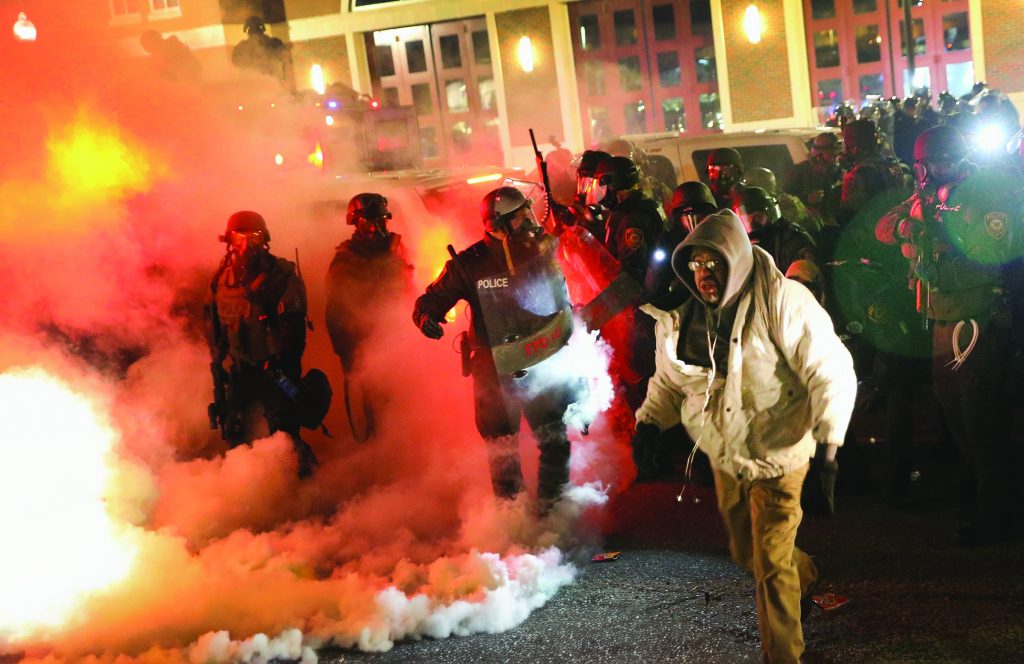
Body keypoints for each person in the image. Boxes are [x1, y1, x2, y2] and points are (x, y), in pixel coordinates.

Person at [632, 208, 856, 663]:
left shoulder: (783, 301)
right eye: (694, 265)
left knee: (770, 565)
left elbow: (831, 372)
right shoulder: (683, 317)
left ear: (735, 258)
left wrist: (828, 449)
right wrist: (649, 424)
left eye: (713, 263)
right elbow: (672, 383)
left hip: (781, 453)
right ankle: (805, 572)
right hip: (727, 455)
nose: (703, 275)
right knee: (746, 553)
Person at [875, 125, 1022, 545]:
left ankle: (998, 514)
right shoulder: (928, 196)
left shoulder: (983, 194)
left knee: (979, 420)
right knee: (954, 412)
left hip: (973, 319)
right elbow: (883, 227)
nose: (945, 168)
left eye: (949, 160)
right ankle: (985, 496)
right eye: (937, 162)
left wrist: (932, 261)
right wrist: (910, 230)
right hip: (945, 320)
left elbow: (988, 262)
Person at [412, 186, 575, 512]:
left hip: (541, 357)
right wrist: (426, 317)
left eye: (527, 214)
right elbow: (430, 300)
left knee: (554, 439)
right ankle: (512, 521)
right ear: (497, 223)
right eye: (519, 217)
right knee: (502, 450)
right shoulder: (469, 263)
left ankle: (555, 514)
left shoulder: (540, 251)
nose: (528, 222)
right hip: (493, 367)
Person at [205, 211, 319, 478]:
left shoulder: (281, 275)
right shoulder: (222, 278)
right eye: (238, 238)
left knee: (284, 435)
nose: (245, 245)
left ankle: (304, 486)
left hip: (275, 371)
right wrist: (218, 361)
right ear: (229, 241)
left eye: (253, 238)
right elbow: (215, 325)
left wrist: (282, 368)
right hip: (239, 369)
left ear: (264, 239)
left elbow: (294, 330)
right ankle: (247, 492)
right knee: (234, 434)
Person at [325, 193, 413, 439]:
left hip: (399, 338)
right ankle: (381, 453)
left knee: (405, 402)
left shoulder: (397, 248)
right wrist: (345, 351)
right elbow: (336, 310)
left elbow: (410, 287)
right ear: (356, 223)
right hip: (367, 343)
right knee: (376, 405)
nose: (376, 228)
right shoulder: (346, 258)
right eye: (369, 222)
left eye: (381, 221)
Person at [734, 186, 817, 275]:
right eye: (744, 220)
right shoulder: (741, 244)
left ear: (769, 213)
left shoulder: (792, 240)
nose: (751, 224)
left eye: (757, 217)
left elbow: (805, 281)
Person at [783, 132, 844, 230]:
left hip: (836, 226)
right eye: (831, 154)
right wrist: (806, 198)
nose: (835, 158)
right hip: (811, 227)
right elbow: (786, 199)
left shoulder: (840, 171)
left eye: (836, 154)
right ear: (818, 154)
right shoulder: (800, 172)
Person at [231, 16, 292, 83]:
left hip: (255, 85)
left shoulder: (241, 47)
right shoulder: (274, 43)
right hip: (272, 83)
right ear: (262, 28)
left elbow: (236, 63)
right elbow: (286, 60)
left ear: (247, 30)